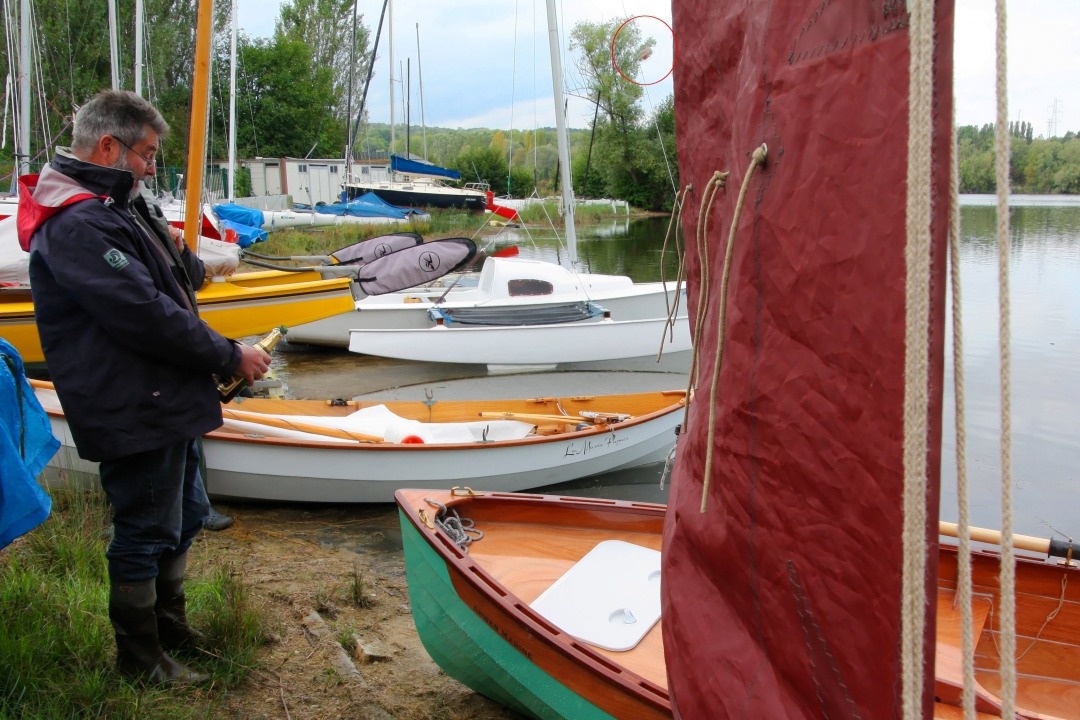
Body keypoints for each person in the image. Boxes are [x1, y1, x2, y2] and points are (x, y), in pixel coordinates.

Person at [20, 89, 269, 684]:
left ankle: (170, 631)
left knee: (182, 517)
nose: (152, 167)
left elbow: (175, 282)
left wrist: (184, 249)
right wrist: (230, 353)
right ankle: (139, 661)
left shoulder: (119, 205)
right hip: (129, 399)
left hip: (164, 393)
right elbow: (144, 313)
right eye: (148, 154)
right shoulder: (79, 222)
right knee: (144, 527)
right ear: (109, 146)